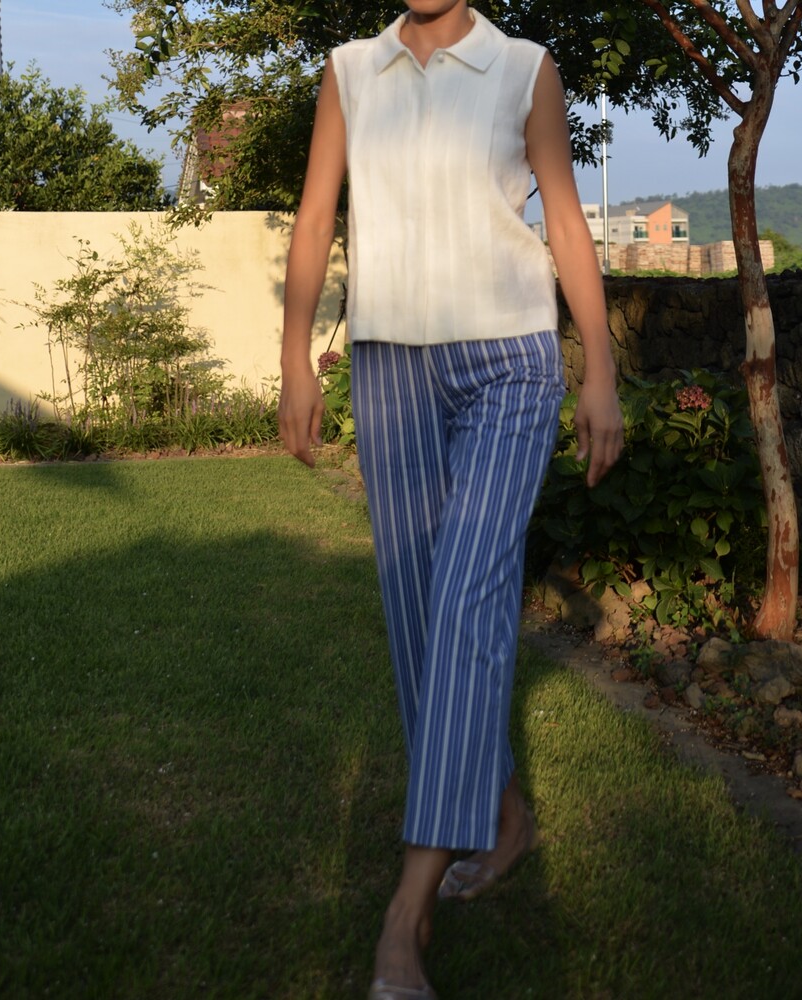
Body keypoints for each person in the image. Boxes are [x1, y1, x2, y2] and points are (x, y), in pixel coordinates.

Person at [278, 2, 623, 996]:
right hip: (389, 364)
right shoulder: (350, 70)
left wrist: (599, 370)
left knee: (470, 593)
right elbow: (317, 217)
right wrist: (295, 358)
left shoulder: (524, 69)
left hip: (509, 361)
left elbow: (564, 220)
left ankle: (407, 909)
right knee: (418, 617)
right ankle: (505, 813)